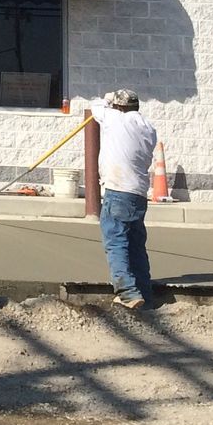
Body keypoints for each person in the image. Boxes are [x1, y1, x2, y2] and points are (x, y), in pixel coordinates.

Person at [87, 89, 158, 311]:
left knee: (115, 239)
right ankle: (144, 292)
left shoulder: (114, 118)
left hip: (118, 190)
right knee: (136, 244)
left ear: (119, 107)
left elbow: (95, 105)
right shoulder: (148, 128)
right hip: (138, 193)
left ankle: (127, 292)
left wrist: (108, 98)